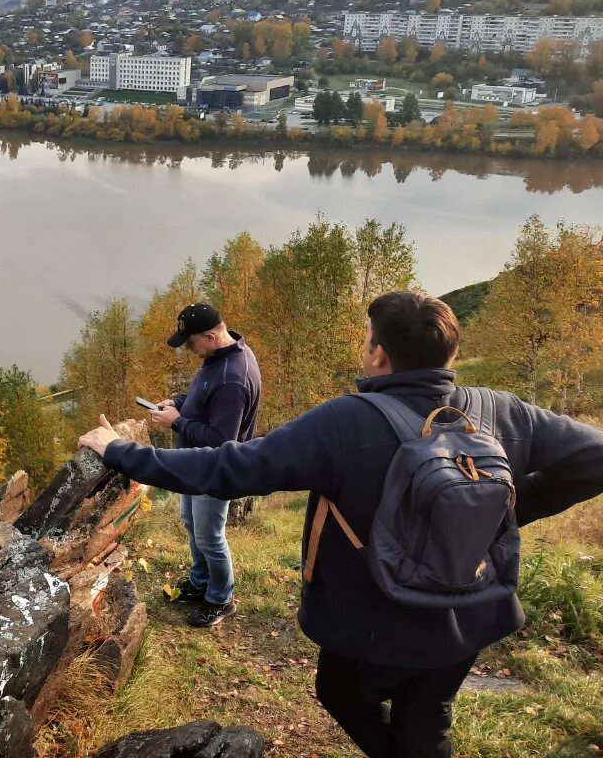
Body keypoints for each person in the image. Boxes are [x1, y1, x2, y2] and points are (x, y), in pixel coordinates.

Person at [79, 291, 603, 758]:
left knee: (342, 696)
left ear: (378, 354)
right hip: (471, 613)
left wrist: (123, 453)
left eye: (367, 340)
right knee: (428, 718)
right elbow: (595, 456)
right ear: (453, 354)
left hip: (372, 622)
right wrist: (505, 517)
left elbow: (228, 468)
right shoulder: (500, 412)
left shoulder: (347, 422)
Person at [150, 302, 261, 627]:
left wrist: (176, 423)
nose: (188, 349)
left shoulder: (233, 378)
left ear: (211, 336)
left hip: (214, 471)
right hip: (194, 466)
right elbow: (201, 398)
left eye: (191, 343)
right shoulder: (218, 358)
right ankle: (200, 583)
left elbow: (220, 439)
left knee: (210, 536)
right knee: (192, 524)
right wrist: (178, 403)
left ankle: (220, 599)